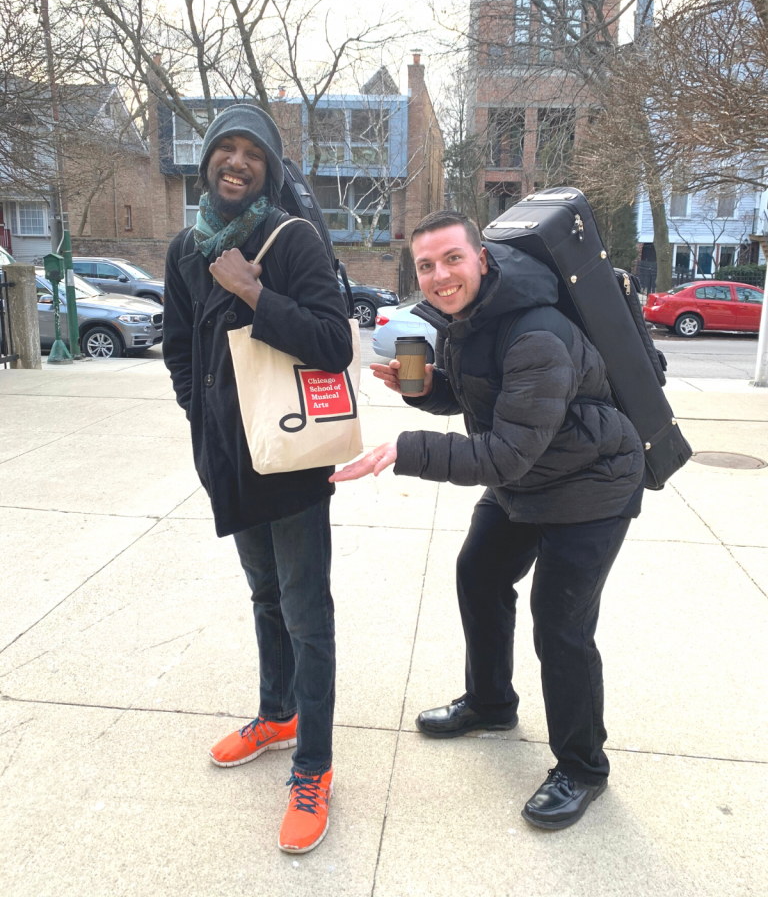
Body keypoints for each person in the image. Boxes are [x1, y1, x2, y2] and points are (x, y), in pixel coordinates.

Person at [331, 210, 644, 831]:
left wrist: (406, 447)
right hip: (531, 478)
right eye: (426, 265)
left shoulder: (537, 334)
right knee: (478, 573)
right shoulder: (465, 319)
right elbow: (489, 400)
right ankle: (491, 702)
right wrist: (426, 391)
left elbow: (504, 450)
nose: (440, 275)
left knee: (560, 623)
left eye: (452, 259)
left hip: (591, 487)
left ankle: (582, 768)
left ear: (481, 258)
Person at [163, 104, 353, 854]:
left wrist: (253, 293)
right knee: (264, 594)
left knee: (307, 612)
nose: (236, 162)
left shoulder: (293, 238)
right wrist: (201, 419)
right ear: (208, 162)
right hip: (231, 464)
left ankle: (315, 765)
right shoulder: (186, 245)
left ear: (270, 169)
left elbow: (334, 343)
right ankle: (277, 716)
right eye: (225, 150)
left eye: (252, 154)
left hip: (294, 460)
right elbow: (179, 348)